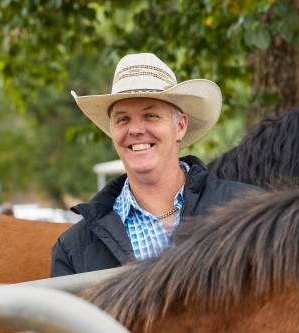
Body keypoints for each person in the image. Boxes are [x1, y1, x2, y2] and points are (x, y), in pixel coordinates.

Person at [51, 53, 264, 277]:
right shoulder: (72, 250)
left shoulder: (249, 209)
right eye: (123, 119)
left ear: (180, 126)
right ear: (112, 132)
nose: (135, 129)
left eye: (150, 115)